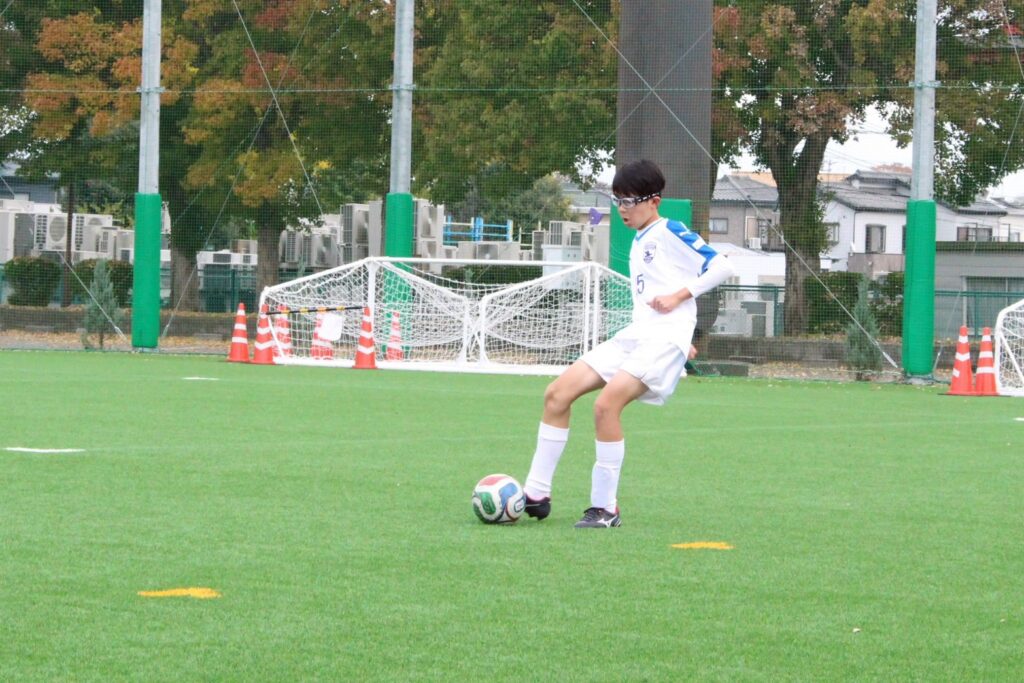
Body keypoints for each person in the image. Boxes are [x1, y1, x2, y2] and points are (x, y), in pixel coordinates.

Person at [521, 159, 735, 528]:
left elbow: (722, 267)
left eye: (630, 201)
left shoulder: (670, 230)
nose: (622, 209)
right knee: (557, 394)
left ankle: (605, 509)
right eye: (618, 200)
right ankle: (536, 494)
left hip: (661, 341)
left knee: (606, 406)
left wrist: (678, 306)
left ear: (654, 201)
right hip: (637, 336)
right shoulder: (639, 238)